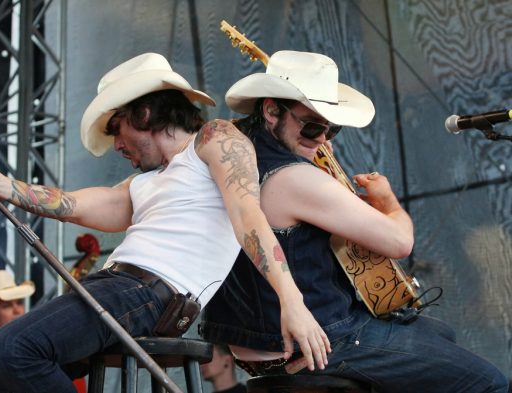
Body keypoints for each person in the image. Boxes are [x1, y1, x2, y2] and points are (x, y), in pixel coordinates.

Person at [0, 52, 326, 393]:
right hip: (116, 287)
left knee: (11, 348)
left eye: (116, 128)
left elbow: (248, 214)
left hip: (147, 292)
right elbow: (75, 204)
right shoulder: (145, 182)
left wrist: (291, 301)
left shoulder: (214, 138)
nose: (116, 144)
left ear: (143, 114)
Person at [200, 50, 509, 392]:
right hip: (319, 337)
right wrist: (387, 201)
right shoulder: (295, 178)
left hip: (250, 340)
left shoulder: (234, 153)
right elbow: (399, 242)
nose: (321, 140)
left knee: (440, 334)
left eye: (332, 130)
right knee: (490, 382)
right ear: (272, 110)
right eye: (313, 127)